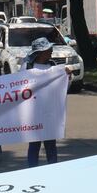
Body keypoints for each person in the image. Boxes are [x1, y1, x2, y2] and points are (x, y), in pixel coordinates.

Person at [24, 37, 69, 167]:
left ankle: (52, 168)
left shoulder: (53, 66)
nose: (51, 51)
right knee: (34, 144)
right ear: (40, 52)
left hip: (50, 112)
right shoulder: (27, 67)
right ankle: (32, 169)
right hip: (34, 113)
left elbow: (62, 88)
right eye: (48, 49)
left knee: (50, 143)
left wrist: (66, 76)